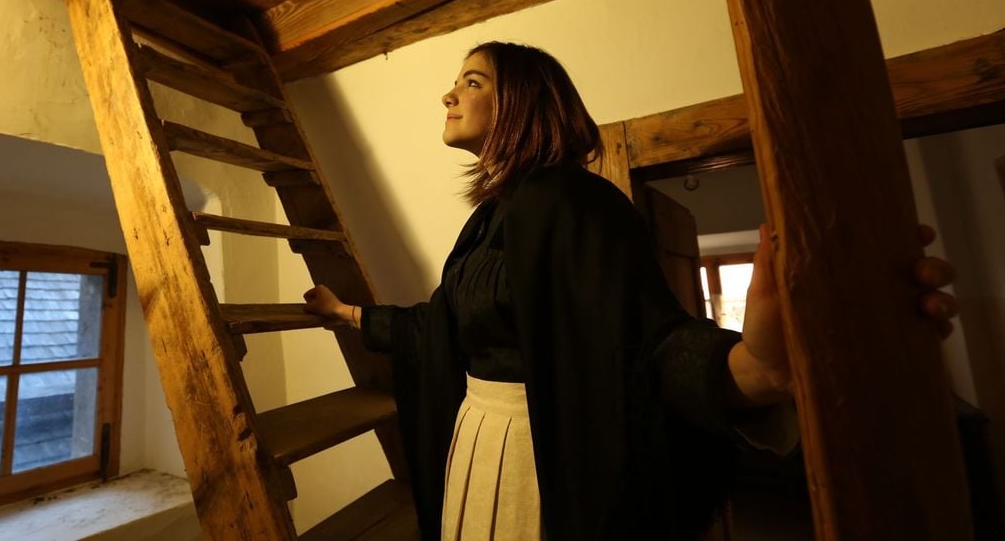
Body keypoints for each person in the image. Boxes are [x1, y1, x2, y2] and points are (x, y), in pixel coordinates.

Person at [303, 42, 957, 541]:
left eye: (472, 82)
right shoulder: (487, 219)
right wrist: (348, 313)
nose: (448, 94)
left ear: (523, 102)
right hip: (478, 444)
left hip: (540, 457)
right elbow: (439, 326)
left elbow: (644, 341)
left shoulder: (576, 201)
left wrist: (753, 370)